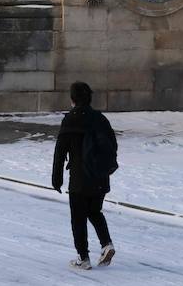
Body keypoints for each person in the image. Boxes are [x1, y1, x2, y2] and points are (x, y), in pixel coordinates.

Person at [52, 81, 118, 270]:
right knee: (94, 211)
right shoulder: (100, 119)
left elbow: (60, 152)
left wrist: (57, 179)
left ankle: (83, 258)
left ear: (72, 99)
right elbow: (112, 146)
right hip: (100, 177)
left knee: (78, 217)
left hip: (80, 178)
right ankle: (107, 244)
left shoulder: (71, 120)